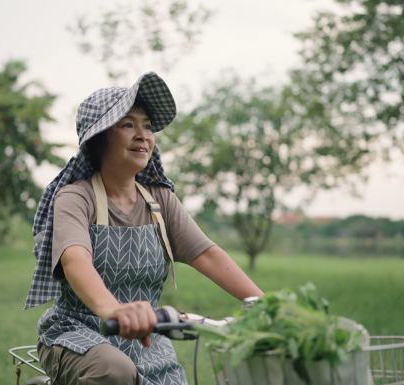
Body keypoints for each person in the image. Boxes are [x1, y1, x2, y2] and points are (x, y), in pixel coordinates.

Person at [25, 72, 264, 385]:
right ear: (99, 138)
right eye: (128, 124)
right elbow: (75, 261)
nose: (143, 135)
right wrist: (112, 310)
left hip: (147, 340)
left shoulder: (160, 200)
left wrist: (268, 308)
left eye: (148, 126)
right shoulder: (76, 196)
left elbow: (207, 255)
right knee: (115, 371)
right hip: (77, 334)